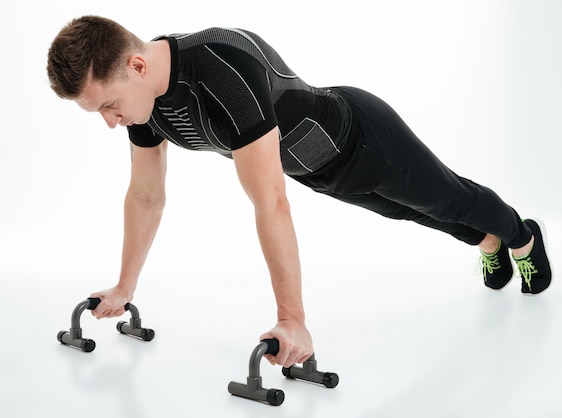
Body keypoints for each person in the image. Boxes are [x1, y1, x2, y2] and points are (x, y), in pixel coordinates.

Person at [46, 16, 552, 368]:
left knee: (448, 197)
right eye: (100, 113)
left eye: (109, 106)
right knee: (411, 212)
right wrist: (124, 287)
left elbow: (270, 203)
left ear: (136, 66)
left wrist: (293, 321)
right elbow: (145, 196)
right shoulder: (147, 101)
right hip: (319, 171)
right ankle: (487, 243)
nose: (112, 123)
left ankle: (522, 237)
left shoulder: (220, 70)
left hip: (362, 140)